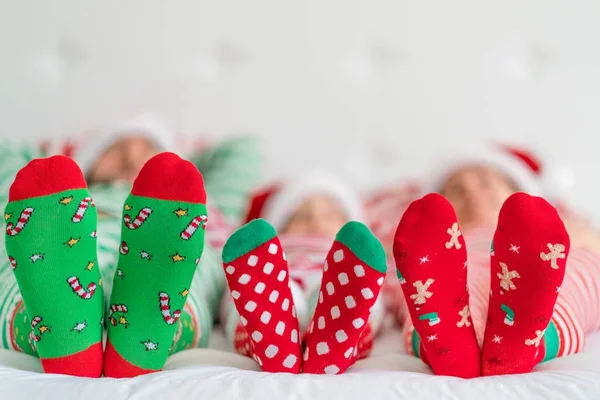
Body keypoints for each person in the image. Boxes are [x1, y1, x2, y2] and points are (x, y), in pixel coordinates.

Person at [0, 114, 261, 377]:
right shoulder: (51, 197)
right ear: (88, 163)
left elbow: (244, 149)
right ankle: (101, 344)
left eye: (148, 150)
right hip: (66, 236)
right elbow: (6, 151)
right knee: (29, 274)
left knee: (187, 282)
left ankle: (69, 341)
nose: (131, 158)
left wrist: (177, 160)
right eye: (115, 149)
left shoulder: (198, 200)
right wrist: (65, 159)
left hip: (164, 243)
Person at [392, 143, 600, 378]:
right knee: (428, 287)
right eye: (457, 190)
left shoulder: (563, 226)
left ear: (517, 190)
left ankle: (525, 342)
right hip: (457, 256)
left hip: (540, 261)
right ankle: (456, 349)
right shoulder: (435, 241)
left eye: (485, 182)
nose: (472, 193)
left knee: (577, 272)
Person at [220, 171, 387, 374]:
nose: (316, 221)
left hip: (335, 281)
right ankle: (283, 341)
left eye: (330, 215)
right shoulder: (272, 248)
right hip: (275, 277)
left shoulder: (352, 255)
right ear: (281, 226)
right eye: (302, 216)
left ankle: (320, 343)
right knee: (248, 297)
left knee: (358, 302)